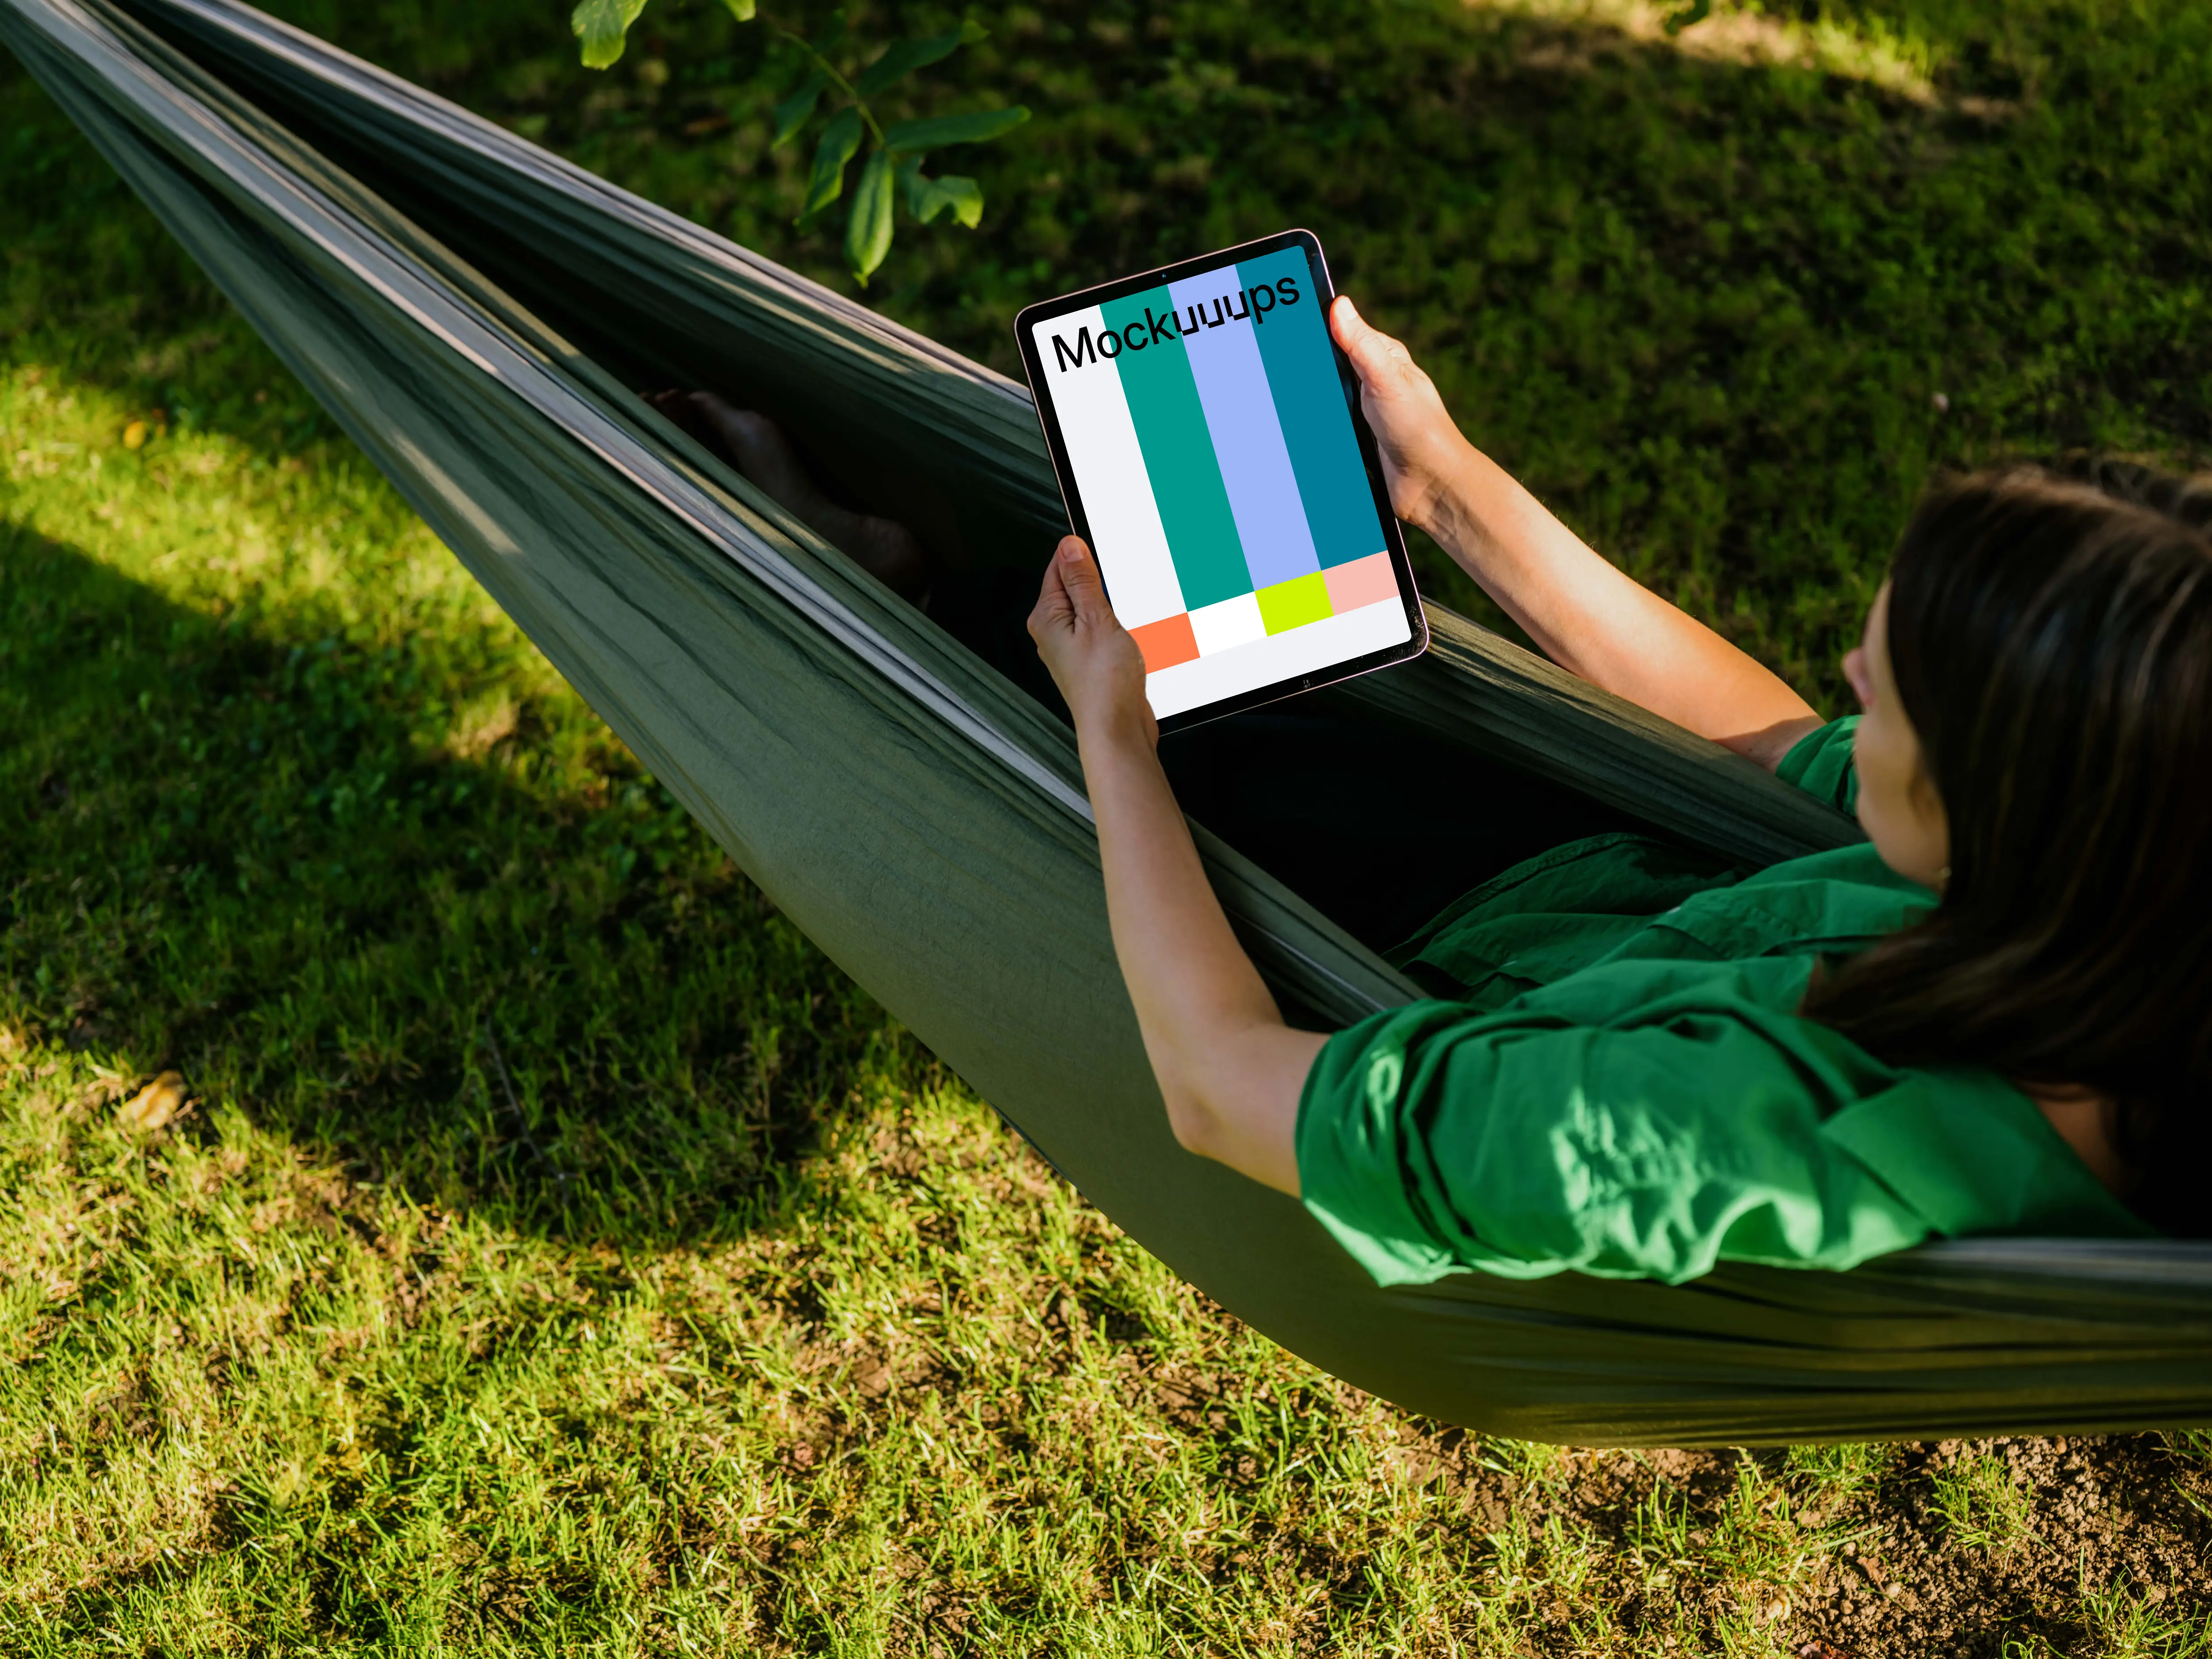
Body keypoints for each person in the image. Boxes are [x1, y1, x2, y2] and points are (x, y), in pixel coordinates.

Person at [662, 298, 2212, 1285]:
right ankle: (932, 577)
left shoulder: (1678, 1139)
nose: (1851, 687)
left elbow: (1218, 1086)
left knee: (1088, 708)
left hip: (1412, 989)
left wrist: (1113, 742)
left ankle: (885, 608)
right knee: (1228, 634)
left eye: (1891, 697)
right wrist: (1448, 478)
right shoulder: (2133, 909)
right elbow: (1775, 758)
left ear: (2021, 818)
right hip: (1609, 901)